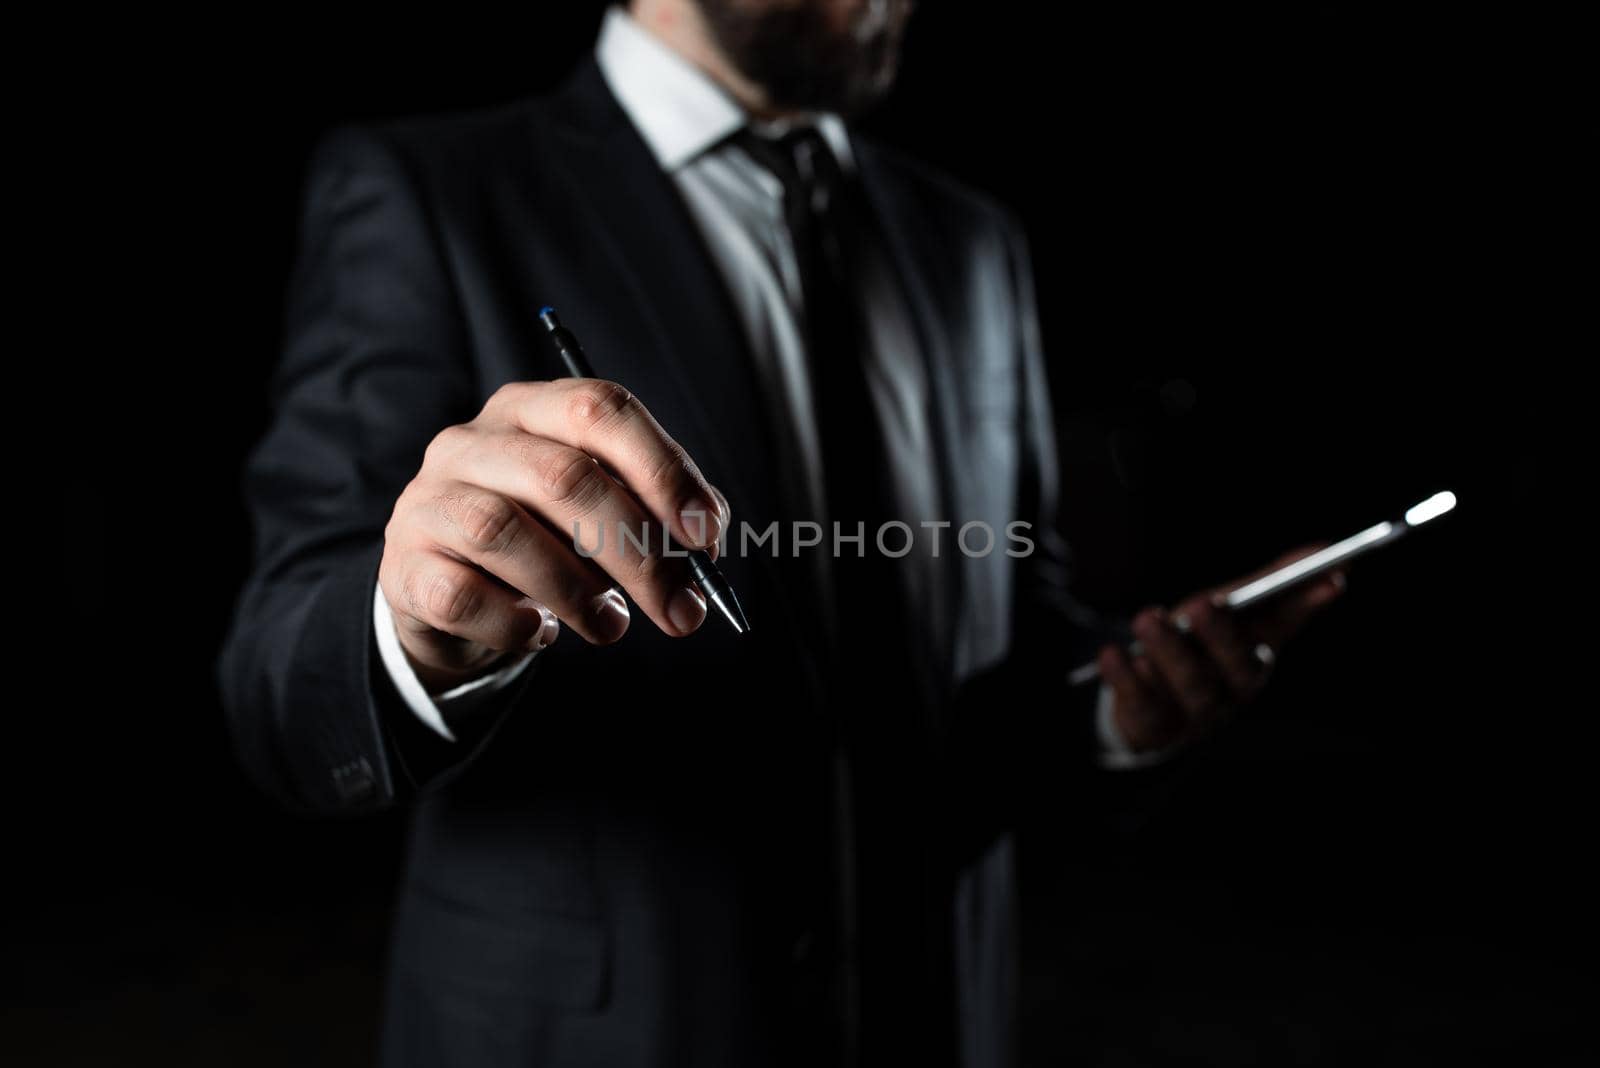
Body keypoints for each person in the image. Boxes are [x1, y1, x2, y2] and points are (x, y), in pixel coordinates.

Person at [218, 2, 1346, 1065]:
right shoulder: (430, 189)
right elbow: (283, 676)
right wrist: (418, 633)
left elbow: (1001, 600)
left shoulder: (970, 240)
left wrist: (1114, 706)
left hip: (936, 1019)